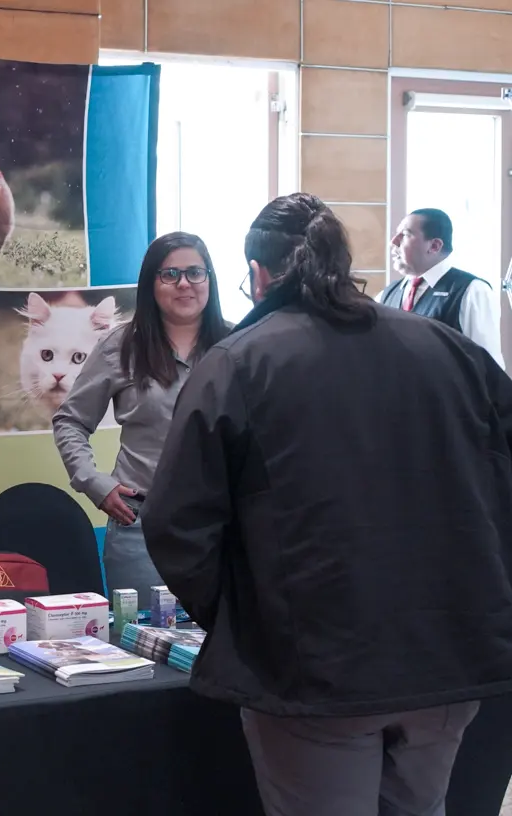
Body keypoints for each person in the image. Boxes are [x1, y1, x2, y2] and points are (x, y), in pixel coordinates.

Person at [141, 192, 512, 816]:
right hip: (449, 653)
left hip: (314, 663)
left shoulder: (238, 363)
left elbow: (176, 523)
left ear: (258, 274)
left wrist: (245, 618)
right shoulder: (449, 350)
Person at [52, 232, 229, 611]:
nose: (184, 283)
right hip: (140, 529)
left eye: (195, 272)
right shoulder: (122, 347)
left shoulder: (238, 346)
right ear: (151, 284)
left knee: (223, 640)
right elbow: (70, 421)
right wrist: (94, 482)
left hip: (223, 528)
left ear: (210, 280)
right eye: (170, 274)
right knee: (141, 641)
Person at [379, 207, 504, 367]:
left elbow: (489, 368)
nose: (393, 242)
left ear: (434, 246)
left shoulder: (472, 291)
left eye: (405, 234)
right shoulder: (388, 294)